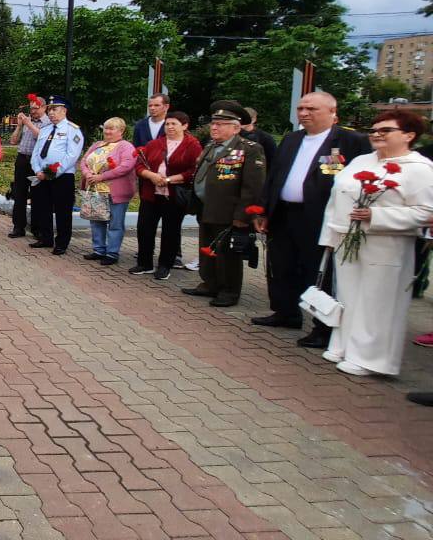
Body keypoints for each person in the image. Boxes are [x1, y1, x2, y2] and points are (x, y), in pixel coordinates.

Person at [319, 109, 433, 377]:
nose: (377, 135)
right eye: (374, 130)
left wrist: (376, 216)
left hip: (386, 243)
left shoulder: (419, 168)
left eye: (386, 130)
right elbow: (336, 198)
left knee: (377, 301)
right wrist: (329, 237)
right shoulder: (361, 161)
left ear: (408, 135)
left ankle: (371, 358)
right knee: (348, 296)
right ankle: (344, 345)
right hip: (347, 238)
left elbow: (426, 211)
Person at [251, 92, 369, 348]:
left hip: (318, 217)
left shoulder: (351, 141)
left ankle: (322, 327)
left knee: (317, 270)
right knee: (281, 265)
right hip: (284, 213)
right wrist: (263, 210)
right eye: (301, 108)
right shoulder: (292, 139)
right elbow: (274, 176)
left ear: (332, 112)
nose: (303, 113)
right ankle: (286, 312)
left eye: (311, 109)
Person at [183, 101, 266, 307]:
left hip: (229, 211)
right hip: (206, 208)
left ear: (236, 128)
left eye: (220, 124)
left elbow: (253, 186)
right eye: (213, 123)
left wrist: (243, 216)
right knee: (207, 248)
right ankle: (210, 283)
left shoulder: (249, 149)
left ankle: (229, 291)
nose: (214, 127)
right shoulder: (211, 146)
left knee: (228, 253)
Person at [129, 111, 202, 280]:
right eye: (167, 124)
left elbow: (194, 170)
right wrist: (151, 176)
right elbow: (139, 166)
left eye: (174, 124)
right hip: (151, 193)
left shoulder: (193, 145)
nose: (169, 127)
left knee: (170, 231)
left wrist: (169, 180)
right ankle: (144, 263)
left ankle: (165, 265)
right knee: (145, 228)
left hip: (174, 195)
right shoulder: (155, 143)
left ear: (185, 126)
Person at [30, 96, 84, 255]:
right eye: (50, 110)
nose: (51, 113)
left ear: (64, 111)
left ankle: (62, 242)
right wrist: (38, 170)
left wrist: (51, 173)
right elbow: (36, 153)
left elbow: (71, 156)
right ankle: (45, 238)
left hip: (62, 177)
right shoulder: (45, 130)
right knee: (43, 208)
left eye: (55, 109)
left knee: (62, 211)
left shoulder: (72, 130)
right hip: (41, 176)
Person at [79, 117, 136, 265]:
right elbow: (84, 161)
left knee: (115, 223)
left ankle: (112, 253)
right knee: (96, 220)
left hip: (116, 191)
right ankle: (98, 249)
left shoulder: (126, 146)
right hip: (95, 189)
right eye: (106, 128)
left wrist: (102, 177)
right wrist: (88, 174)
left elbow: (126, 167)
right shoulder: (97, 145)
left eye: (112, 128)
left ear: (121, 130)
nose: (107, 131)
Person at [9, 96, 48, 239]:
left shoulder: (48, 122)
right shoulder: (26, 122)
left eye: (35, 108)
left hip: (37, 161)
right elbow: (13, 141)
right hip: (22, 159)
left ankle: (36, 229)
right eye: (31, 108)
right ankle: (18, 227)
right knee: (19, 193)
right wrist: (20, 126)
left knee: (37, 195)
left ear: (44, 108)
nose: (32, 111)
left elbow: (42, 138)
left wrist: (29, 124)